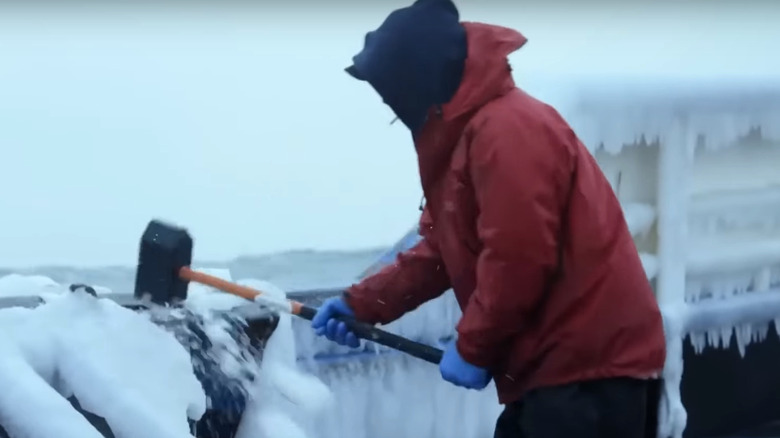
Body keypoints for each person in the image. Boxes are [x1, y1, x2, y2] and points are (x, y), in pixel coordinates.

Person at [311, 0, 667, 437]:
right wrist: (361, 304)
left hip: (589, 374)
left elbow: (519, 256)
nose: (393, 107)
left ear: (418, 81)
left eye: (392, 93)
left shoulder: (506, 131)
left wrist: (473, 346)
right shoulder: (464, 137)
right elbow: (441, 253)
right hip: (551, 374)